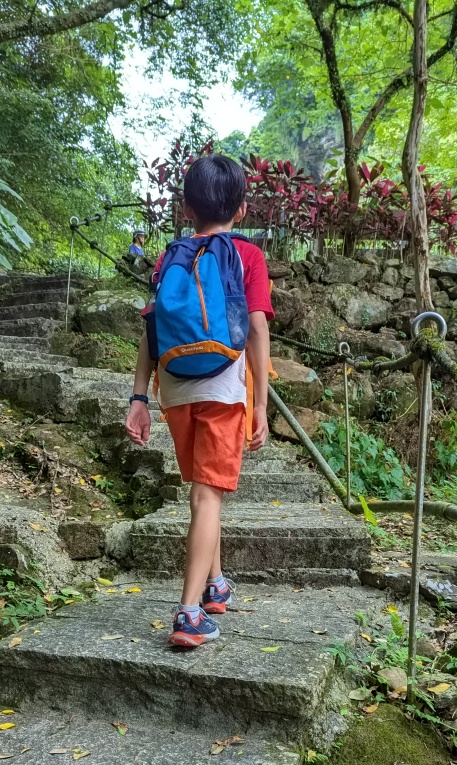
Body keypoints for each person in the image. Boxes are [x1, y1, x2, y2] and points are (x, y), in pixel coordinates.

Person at [125, 154, 273, 648]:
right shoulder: (247, 256)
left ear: (186, 207)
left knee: (202, 492)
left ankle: (216, 585)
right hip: (224, 391)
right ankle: (190, 614)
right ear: (243, 209)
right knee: (207, 496)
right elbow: (255, 328)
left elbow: (150, 329)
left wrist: (138, 397)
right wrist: (261, 407)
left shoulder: (170, 257)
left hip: (176, 390)